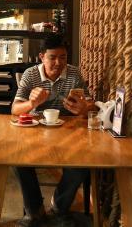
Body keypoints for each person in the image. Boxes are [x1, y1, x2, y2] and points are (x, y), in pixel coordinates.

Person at [11, 34, 97, 227]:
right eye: (53, 57)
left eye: (63, 57)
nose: (59, 63)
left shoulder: (74, 74)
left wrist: (84, 108)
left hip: (68, 132)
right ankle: (34, 212)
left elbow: (90, 103)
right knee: (17, 161)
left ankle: (59, 207)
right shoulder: (31, 74)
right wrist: (32, 103)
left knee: (82, 162)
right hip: (35, 132)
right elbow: (14, 110)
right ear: (42, 57)